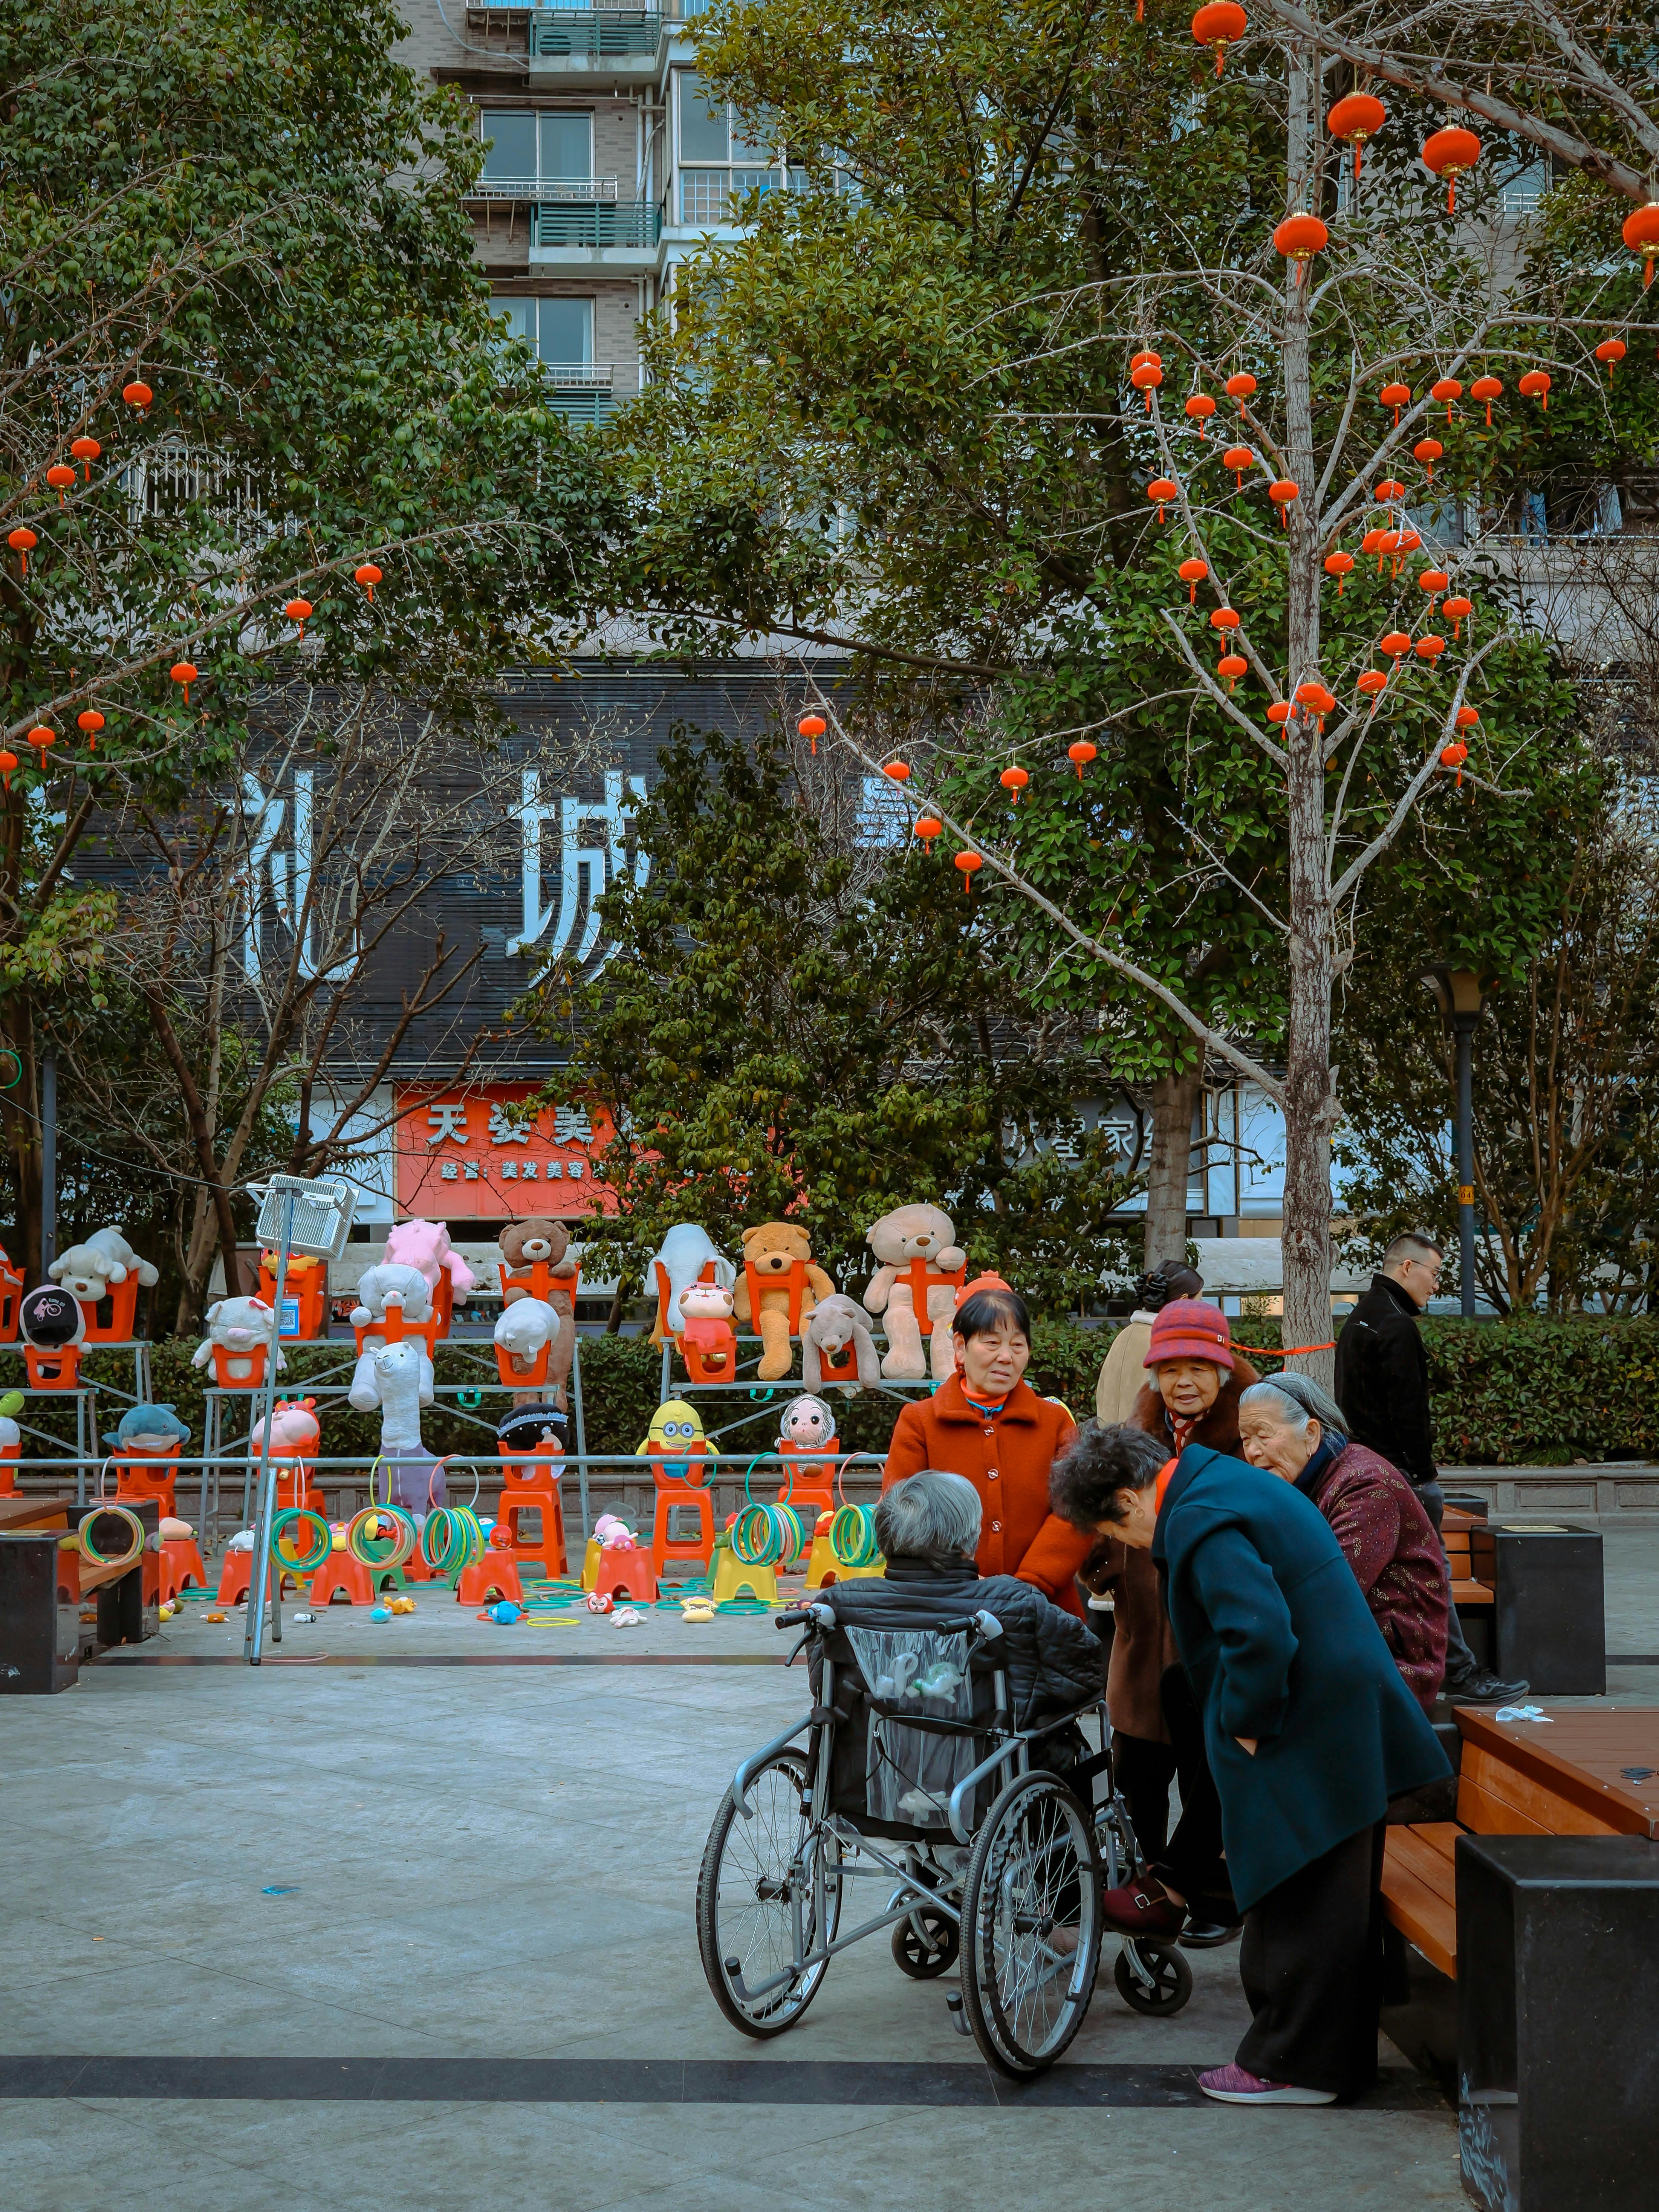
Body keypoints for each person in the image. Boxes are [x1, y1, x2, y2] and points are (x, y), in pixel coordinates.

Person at [1052, 1422, 1450, 2107]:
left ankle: (1289, 2066)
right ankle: (1324, 2062)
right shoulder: (1217, 1484)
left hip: (1308, 1721)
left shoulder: (1201, 1521)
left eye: (1114, 1533)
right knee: (1325, 1896)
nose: (1124, 1547)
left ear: (1126, 1499)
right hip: (1338, 1712)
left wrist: (1244, 1725)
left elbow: (1258, 1632)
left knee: (1296, 1894)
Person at [1081, 1298, 1257, 1944]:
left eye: (1199, 1366)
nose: (1184, 1381)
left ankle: (1216, 1900)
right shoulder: (1135, 1436)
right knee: (1135, 1779)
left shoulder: (1250, 1434)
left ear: (1222, 1368)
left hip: (1209, 1640)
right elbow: (1101, 1514)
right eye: (1171, 1367)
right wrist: (1098, 1566)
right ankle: (1139, 1894)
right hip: (1139, 1634)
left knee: (1213, 1779)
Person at [1335, 1231, 1526, 1701]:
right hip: (1400, 1475)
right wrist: (1423, 1477)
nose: (1435, 1285)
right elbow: (1409, 1414)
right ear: (1406, 1268)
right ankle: (1459, 1673)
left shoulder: (1360, 1318)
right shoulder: (1396, 1326)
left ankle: (1433, 1672)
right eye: (1434, 1273)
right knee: (1434, 1570)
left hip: (1365, 1470)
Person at [820, 1470, 1105, 1724]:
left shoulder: (838, 1602)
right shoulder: (1014, 1601)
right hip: (990, 1766)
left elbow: (822, 1684)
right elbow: (1085, 1675)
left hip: (873, 1768)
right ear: (970, 1537)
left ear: (884, 1536)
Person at [1237, 1373, 1449, 1710]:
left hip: (1390, 1662)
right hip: (1332, 1647)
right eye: (1245, 1438)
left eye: (1263, 1435)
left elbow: (1328, 1593)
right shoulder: (1297, 1482)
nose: (1252, 1451)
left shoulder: (1365, 1485)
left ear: (1310, 1434)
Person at [882, 1281, 1089, 1612]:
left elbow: (1076, 1510)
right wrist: (958, 1580)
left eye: (1017, 1345)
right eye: (991, 1343)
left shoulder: (1054, 1423)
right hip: (943, 1606)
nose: (1005, 1357)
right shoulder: (919, 1421)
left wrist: (1029, 1584)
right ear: (961, 1347)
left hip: (1042, 1607)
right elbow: (901, 1513)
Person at [1094, 1263, 1204, 1426]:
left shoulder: (1126, 1334)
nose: (1204, 1310)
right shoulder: (1167, 1343)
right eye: (1200, 1301)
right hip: (1148, 1447)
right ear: (1184, 1302)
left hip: (1109, 1444)